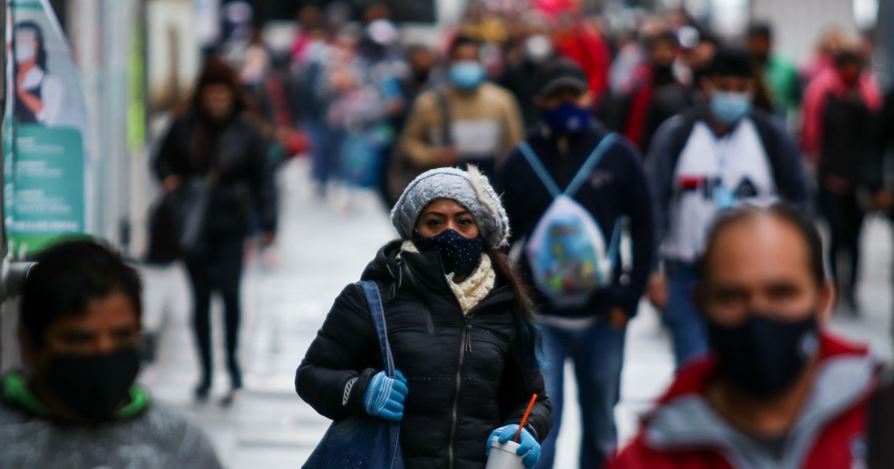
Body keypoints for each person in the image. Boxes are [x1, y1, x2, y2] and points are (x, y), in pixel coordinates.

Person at [296, 166, 550, 468]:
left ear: (481, 231)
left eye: (464, 222)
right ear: (415, 230)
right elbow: (312, 374)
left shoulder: (504, 305)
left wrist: (527, 429)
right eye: (435, 222)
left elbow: (533, 400)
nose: (450, 232)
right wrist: (362, 391)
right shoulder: (372, 297)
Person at [611, 205, 879, 469]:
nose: (759, 315)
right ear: (701, 306)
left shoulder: (880, 417)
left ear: (823, 301)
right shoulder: (649, 459)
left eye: (782, 293)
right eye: (731, 297)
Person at [497, 59, 655, 469]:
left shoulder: (618, 155)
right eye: (557, 97)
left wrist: (629, 296)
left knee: (602, 424)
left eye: (575, 95)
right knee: (540, 426)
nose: (567, 104)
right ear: (540, 102)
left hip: (604, 317)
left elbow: (645, 227)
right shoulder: (520, 161)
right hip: (539, 320)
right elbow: (498, 237)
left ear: (590, 97)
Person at [646, 47, 810, 368]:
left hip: (755, 276)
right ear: (707, 86)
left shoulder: (770, 136)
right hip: (688, 273)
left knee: (748, 368)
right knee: (693, 368)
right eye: (725, 87)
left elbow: (800, 200)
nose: (732, 96)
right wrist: (653, 271)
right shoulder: (678, 135)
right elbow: (654, 203)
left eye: (741, 89)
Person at [0, 239, 221, 468]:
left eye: (122, 336)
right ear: (30, 344)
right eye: (80, 339)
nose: (104, 351)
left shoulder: (182, 447)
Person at [153, 57, 277, 402]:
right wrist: (170, 180)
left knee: (232, 296)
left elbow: (264, 177)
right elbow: (161, 160)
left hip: (232, 222)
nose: (217, 102)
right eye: (212, 95)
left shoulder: (247, 129)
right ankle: (206, 371)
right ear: (202, 95)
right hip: (194, 224)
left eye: (223, 95)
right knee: (200, 298)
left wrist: (268, 222)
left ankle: (233, 366)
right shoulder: (185, 126)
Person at [801, 46, 881, 314]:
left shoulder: (869, 94)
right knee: (835, 235)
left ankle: (852, 291)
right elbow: (811, 132)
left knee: (855, 237)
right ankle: (835, 287)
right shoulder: (822, 91)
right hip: (830, 176)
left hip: (859, 180)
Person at [397, 35, 524, 178]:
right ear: (450, 62)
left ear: (480, 62)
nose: (466, 65)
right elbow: (407, 144)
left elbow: (515, 147)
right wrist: (432, 155)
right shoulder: (430, 102)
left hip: (490, 184)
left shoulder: (502, 101)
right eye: (460, 59)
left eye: (471, 59)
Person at [601, 30, 694, 153]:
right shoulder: (638, 85)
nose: (663, 54)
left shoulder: (682, 88)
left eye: (668, 49)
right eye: (658, 49)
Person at [746, 22, 801, 123]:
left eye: (764, 40)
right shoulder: (743, 68)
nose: (760, 44)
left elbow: (796, 101)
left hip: (779, 123)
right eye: (756, 40)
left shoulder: (786, 68)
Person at [13, 21, 63, 126]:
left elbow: (48, 118)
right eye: (17, 40)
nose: (19, 44)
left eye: (24, 40)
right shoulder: (8, 79)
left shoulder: (51, 82)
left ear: (36, 44)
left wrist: (22, 93)